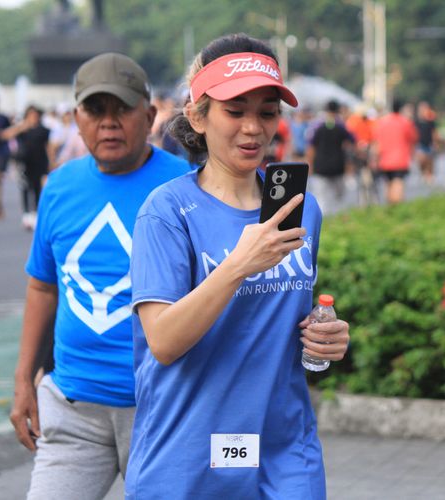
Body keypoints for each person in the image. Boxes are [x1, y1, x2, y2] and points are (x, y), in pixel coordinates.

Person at [125, 33, 350, 499]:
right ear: (198, 116)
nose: (253, 128)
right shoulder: (166, 211)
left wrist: (323, 336)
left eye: (267, 112)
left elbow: (279, 319)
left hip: (284, 452)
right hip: (188, 453)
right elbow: (163, 341)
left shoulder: (301, 209)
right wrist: (237, 266)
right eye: (234, 110)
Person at [9, 52, 191, 500]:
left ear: (149, 116)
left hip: (164, 411)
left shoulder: (188, 186)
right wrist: (23, 379)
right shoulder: (59, 186)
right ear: (76, 118)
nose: (108, 123)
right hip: (73, 407)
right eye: (95, 110)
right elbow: (42, 286)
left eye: (122, 108)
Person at [0, 105, 51, 230]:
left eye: (35, 115)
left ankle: (36, 214)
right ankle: (26, 214)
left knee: (38, 189)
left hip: (40, 163)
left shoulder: (43, 130)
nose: (33, 117)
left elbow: (48, 147)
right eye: (30, 115)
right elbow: (5, 135)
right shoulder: (22, 129)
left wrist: (51, 163)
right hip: (24, 163)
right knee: (25, 188)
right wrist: (22, 126)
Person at [307, 99, 354, 214]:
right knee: (339, 198)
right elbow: (351, 141)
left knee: (321, 198)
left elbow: (311, 146)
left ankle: (323, 219)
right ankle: (338, 218)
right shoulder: (341, 125)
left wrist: (310, 164)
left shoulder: (317, 125)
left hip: (320, 166)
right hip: (337, 166)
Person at [372, 98, 418, 204]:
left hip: (384, 160)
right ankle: (397, 208)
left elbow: (376, 142)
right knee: (398, 184)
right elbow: (413, 139)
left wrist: (375, 159)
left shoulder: (382, 122)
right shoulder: (405, 122)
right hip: (400, 160)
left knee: (388, 185)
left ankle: (389, 208)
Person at [414, 100, 439, 185]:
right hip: (420, 144)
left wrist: (436, 142)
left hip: (429, 143)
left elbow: (434, 132)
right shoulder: (416, 121)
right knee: (421, 160)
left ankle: (429, 175)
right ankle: (423, 172)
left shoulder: (430, 120)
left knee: (430, 161)